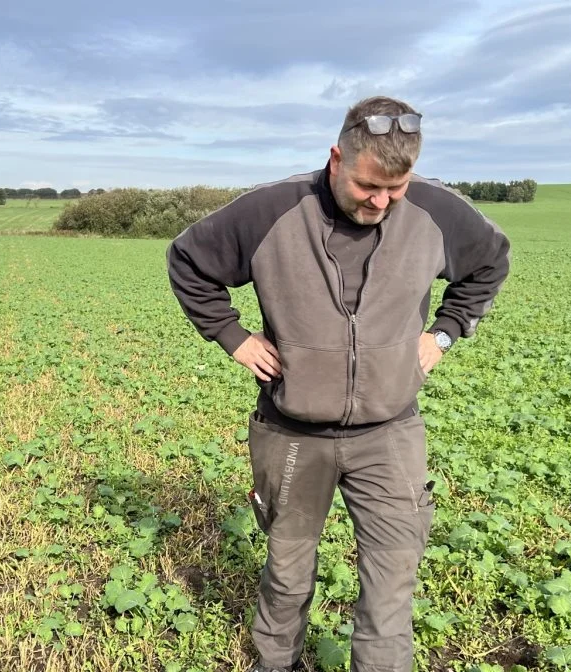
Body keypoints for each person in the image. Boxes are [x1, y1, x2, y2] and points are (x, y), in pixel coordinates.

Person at [165, 96, 511, 672]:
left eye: (395, 190)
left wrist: (445, 333)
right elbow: (188, 262)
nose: (380, 202)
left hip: (390, 432)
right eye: (368, 186)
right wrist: (233, 337)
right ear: (336, 158)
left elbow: (490, 263)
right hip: (293, 431)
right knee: (288, 565)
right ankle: (276, 663)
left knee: (393, 574)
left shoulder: (437, 212)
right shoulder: (273, 209)